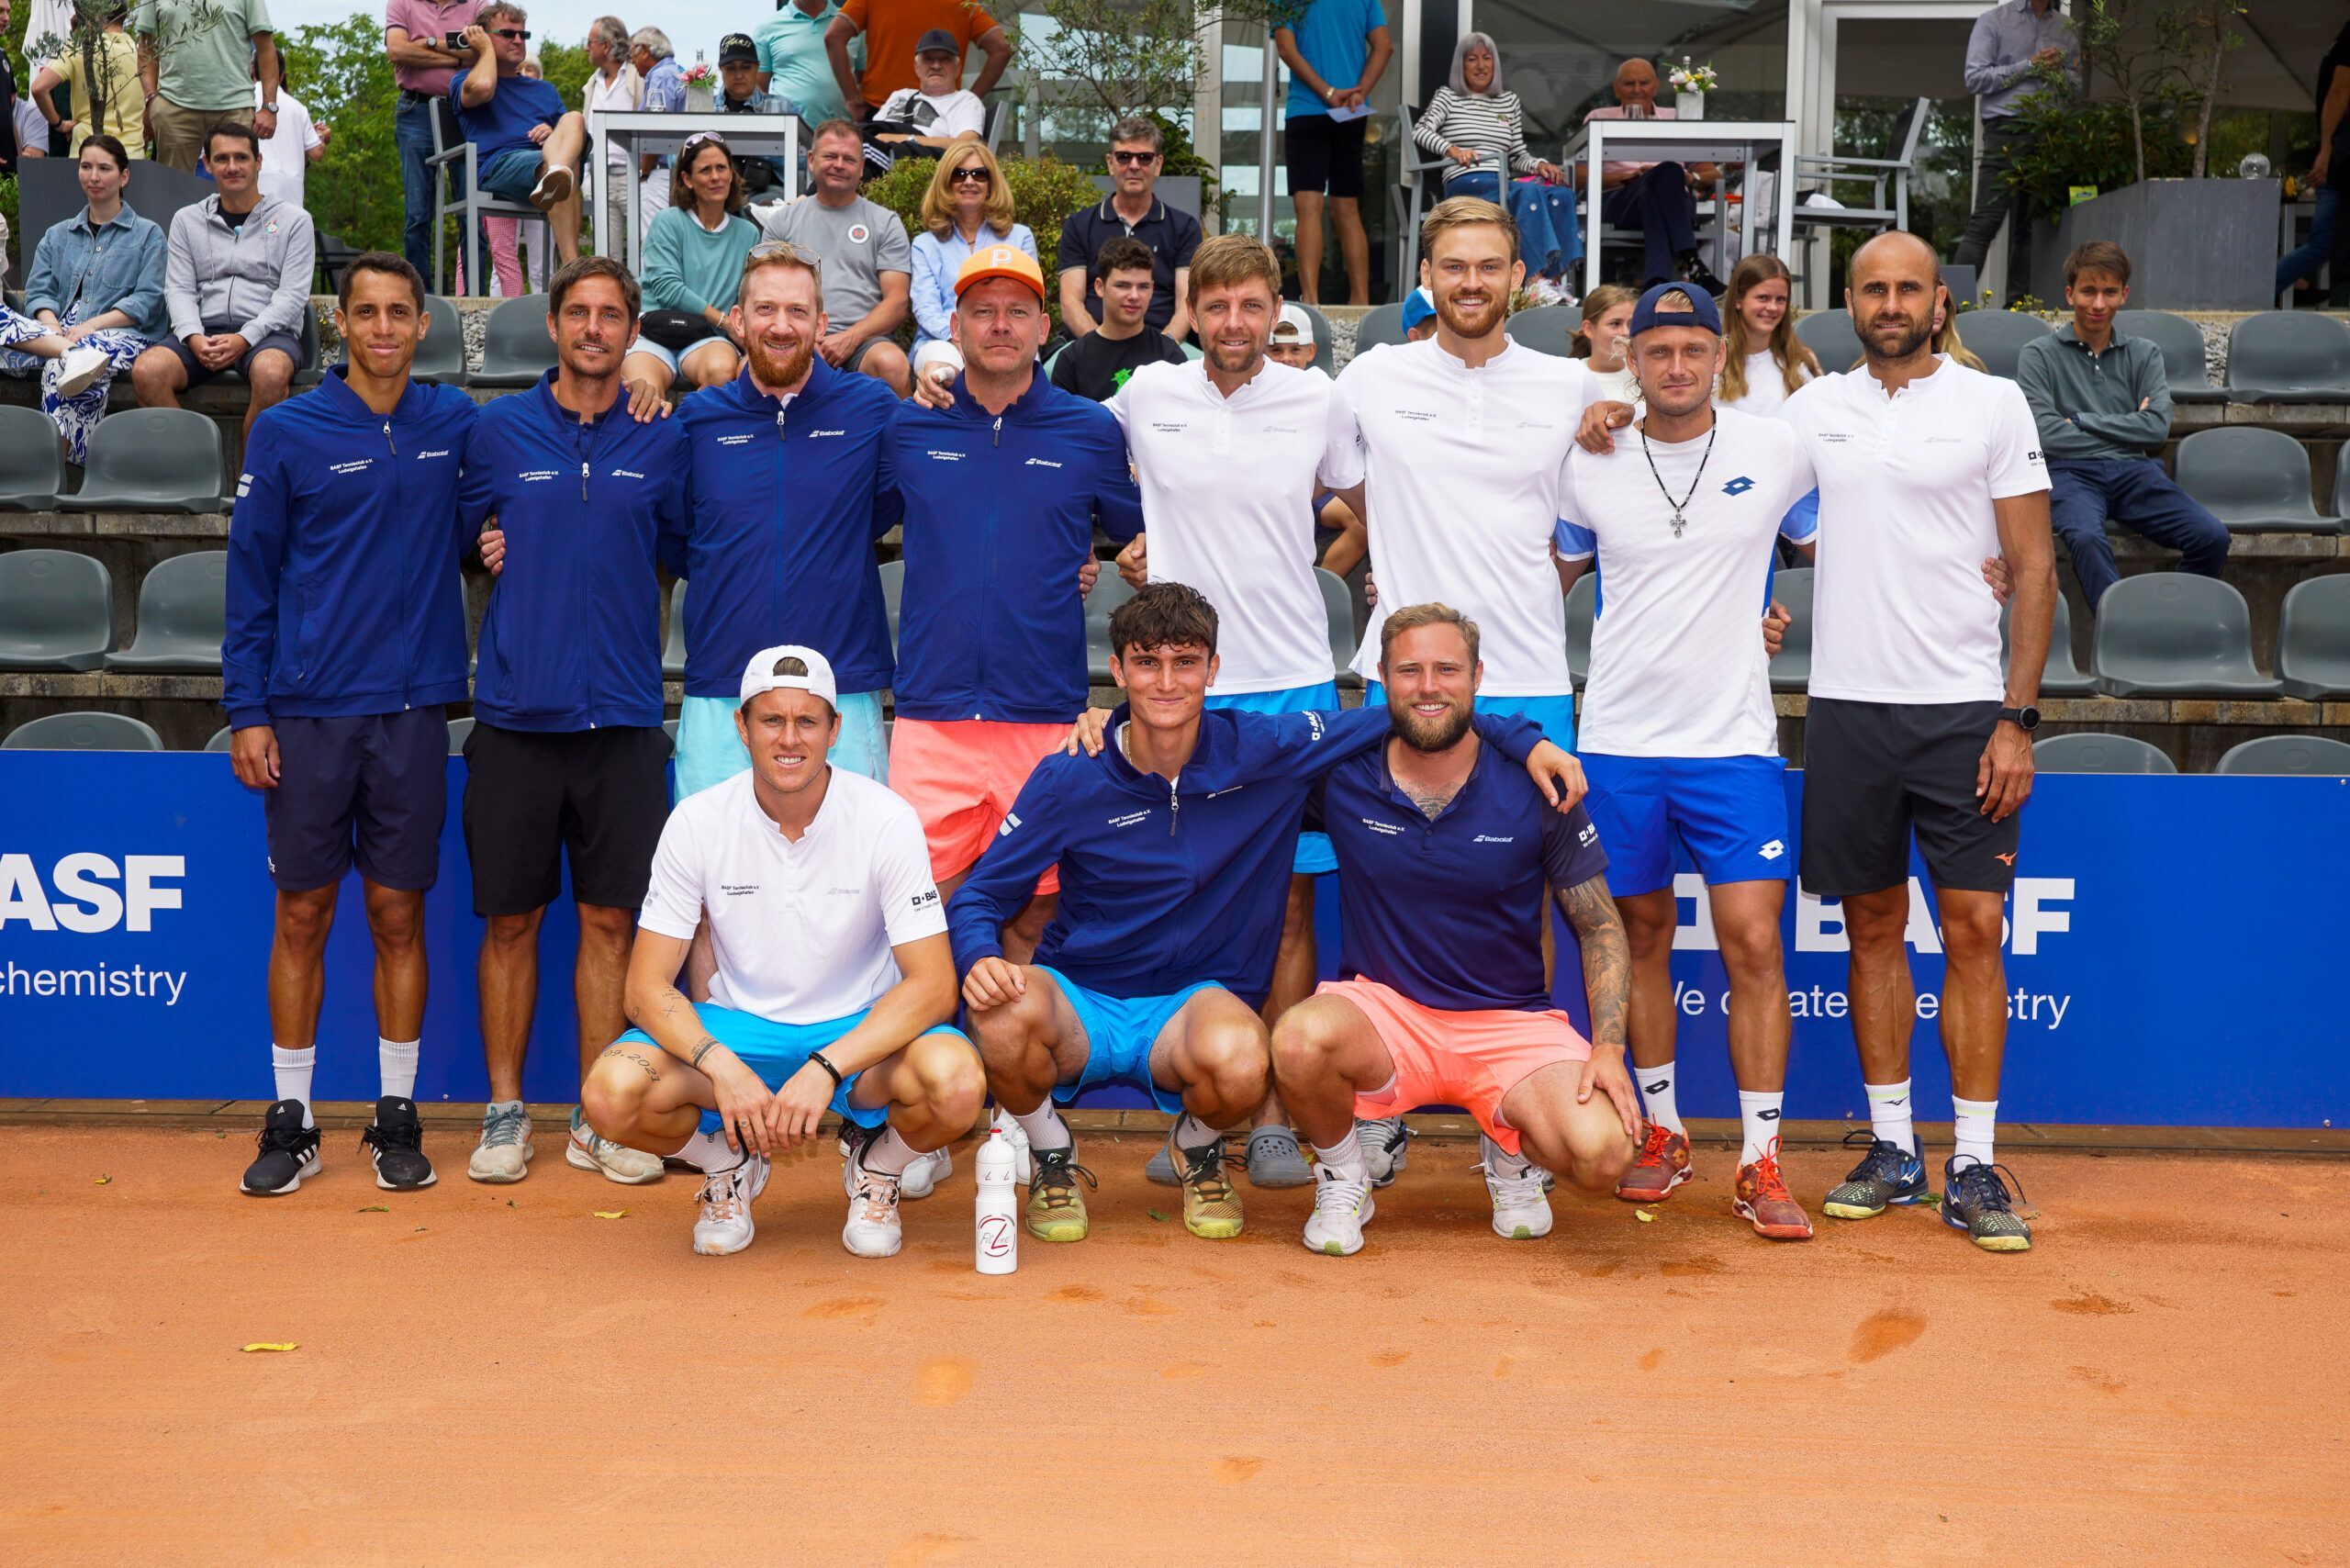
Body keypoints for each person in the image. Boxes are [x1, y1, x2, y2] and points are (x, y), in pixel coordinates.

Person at [949, 583, 1583, 1243]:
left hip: (1196, 1007)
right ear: (1117, 671)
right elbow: (982, 894)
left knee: (1249, 1060)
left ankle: (1195, 1150)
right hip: (1083, 996)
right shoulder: (1071, 773)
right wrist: (979, 956)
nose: (1166, 683)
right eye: (1146, 663)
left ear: (1213, 671)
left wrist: (1525, 740)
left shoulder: (1266, 749)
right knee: (1000, 1011)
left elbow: (1418, 708)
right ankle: (1052, 1153)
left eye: (1186, 663)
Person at [1786, 230, 2056, 1252]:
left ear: (1938, 302)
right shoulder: (1812, 411)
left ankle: (1975, 1161)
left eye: (1907, 288)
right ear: (1849, 302)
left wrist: (2015, 718)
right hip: (1848, 708)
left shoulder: (1991, 405)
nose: (1890, 302)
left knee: (1977, 931)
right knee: (1869, 930)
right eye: (1872, 288)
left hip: (1962, 711)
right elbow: (1720, 483)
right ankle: (1894, 1147)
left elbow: (2031, 567)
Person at [1326, 196, 1603, 1181]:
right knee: (1376, 881)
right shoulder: (1369, 377)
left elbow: (1612, 506)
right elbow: (1328, 487)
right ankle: (1380, 1097)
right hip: (1401, 686)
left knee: (1525, 905)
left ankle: (1508, 1126)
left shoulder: (1574, 385)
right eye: (1453, 267)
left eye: (1489, 266)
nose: (1472, 284)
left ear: (1520, 277)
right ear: (1426, 275)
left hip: (1529, 681)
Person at [1552, 284, 1824, 1241]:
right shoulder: (1588, 459)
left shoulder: (1775, 447)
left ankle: (1759, 1159)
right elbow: (1545, 575)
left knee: (1754, 941)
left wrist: (1978, 566)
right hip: (1619, 741)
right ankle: (1664, 1133)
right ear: (1632, 357)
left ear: (1719, 356)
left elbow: (1843, 540)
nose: (1673, 365)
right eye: (1655, 349)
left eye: (1691, 350)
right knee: (1639, 939)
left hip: (1732, 743)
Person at [579, 645, 985, 1260]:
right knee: (609, 1094)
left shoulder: (886, 818)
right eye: (771, 720)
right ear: (741, 727)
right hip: (740, 1032)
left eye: (807, 721)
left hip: (861, 1039)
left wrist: (826, 1067)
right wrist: (721, 1064)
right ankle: (726, 1164)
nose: (788, 738)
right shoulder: (696, 821)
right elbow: (644, 989)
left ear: (835, 730)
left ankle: (880, 1168)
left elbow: (932, 986)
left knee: (957, 1084)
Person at [221, 252, 480, 1199]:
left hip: (411, 714)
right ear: (341, 324)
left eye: (397, 313)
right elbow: (249, 581)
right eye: (364, 312)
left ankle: (395, 1111)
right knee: (302, 913)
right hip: (306, 714)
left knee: (396, 913)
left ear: (421, 325)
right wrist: (249, 708)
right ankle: (290, 1119)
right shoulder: (286, 431)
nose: (381, 328)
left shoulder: (454, 421)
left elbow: (482, 519)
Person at [1104, 233, 1361, 1188]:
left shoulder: (1318, 400)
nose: (1234, 324)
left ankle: (1268, 1121)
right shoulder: (1144, 394)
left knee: (1290, 907)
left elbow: (1378, 503)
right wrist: (1127, 546)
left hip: (1292, 685)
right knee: (1197, 904)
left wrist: (1325, 576)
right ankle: (1204, 1116)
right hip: (1181, 688)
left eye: (1252, 307)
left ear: (1275, 309)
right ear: (1191, 310)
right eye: (1215, 308)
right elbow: (1070, 452)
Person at [1272, 604, 1638, 1253]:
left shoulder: (1538, 783)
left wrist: (1608, 1047)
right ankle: (1342, 1173)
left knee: (1604, 1159)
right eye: (1409, 670)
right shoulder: (1342, 776)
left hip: (1510, 1024)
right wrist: (1117, 719)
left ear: (1476, 678)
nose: (1429, 685)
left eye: (1447, 669)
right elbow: (1218, 757)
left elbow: (1601, 927)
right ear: (1382, 679)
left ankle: (1509, 1151)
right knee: (1299, 1041)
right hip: (1386, 1016)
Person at [456, 256, 681, 1188]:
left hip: (624, 718)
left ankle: (599, 1117)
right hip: (514, 716)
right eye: (578, 313)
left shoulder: (662, 434)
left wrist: (662, 374)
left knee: (609, 923)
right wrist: (483, 546)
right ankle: (506, 1111)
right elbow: (462, 542)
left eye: (611, 315)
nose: (594, 328)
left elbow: (674, 547)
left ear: (631, 331)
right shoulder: (498, 430)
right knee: (510, 924)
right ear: (552, 325)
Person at [886, 243, 1136, 974]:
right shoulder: (909, 428)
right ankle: (946, 1082)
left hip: (1045, 716)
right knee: (930, 921)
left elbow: (1149, 534)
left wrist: (1112, 560)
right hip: (933, 716)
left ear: (1041, 328)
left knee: (1036, 911)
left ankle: (1017, 1090)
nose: (1001, 325)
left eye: (1018, 311)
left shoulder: (1089, 430)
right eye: (983, 311)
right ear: (955, 326)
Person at [669, 241, 907, 799]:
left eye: (798, 311)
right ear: (737, 320)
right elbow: (674, 536)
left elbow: (906, 503)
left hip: (841, 686)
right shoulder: (697, 420)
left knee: (851, 878)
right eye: (766, 309)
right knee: (712, 878)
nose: (781, 325)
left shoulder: (871, 409)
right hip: (724, 686)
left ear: (821, 322)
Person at [2018, 241, 2227, 613]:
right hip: (2069, 474)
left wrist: (2083, 419)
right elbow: (2047, 434)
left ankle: (2178, 621)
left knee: (2211, 536)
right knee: (2084, 536)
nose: (2099, 304)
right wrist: (2129, 422)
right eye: (2088, 291)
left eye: (2109, 292)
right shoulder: (2038, 354)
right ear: (2070, 294)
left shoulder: (2144, 354)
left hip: (2135, 472)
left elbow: (2155, 432)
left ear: (2124, 295)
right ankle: (2125, 632)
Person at [129, 121, 312, 441]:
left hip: (269, 333)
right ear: (207, 164)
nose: (232, 167)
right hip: (204, 332)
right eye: (222, 158)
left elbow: (293, 297)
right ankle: (199, 467)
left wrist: (246, 337)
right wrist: (193, 336)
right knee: (148, 371)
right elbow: (179, 289)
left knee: (271, 375)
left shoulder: (294, 221)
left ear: (258, 162)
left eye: (241, 158)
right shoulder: (187, 219)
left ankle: (249, 482)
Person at [0, 135, 162, 465]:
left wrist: (90, 326)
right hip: (56, 335)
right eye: (86, 166)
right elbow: (40, 293)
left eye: (104, 168)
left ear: (124, 176)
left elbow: (147, 301)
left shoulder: (148, 234)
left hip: (123, 334)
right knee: (64, 358)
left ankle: (53, 474)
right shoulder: (57, 234)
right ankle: (71, 355)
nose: (94, 176)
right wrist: (53, 328)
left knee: (60, 369)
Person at [757, 118, 913, 394]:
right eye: (830, 156)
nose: (839, 165)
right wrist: (802, 337)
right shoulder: (783, 223)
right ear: (811, 159)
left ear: (862, 167)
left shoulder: (884, 222)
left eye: (849, 159)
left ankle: (903, 437)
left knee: (892, 364)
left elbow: (898, 301)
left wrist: (851, 338)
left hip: (866, 342)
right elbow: (763, 294)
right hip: (792, 337)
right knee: (748, 368)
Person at [1412, 31, 1575, 282]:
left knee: (1561, 196)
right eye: (1472, 59)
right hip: (1467, 180)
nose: (1480, 66)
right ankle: (1534, 280)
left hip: (1502, 182)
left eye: (1486, 58)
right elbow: (1420, 130)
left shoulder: (1508, 101)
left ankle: (1552, 281)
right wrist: (1453, 150)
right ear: (1461, 66)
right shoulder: (1448, 96)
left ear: (1495, 63)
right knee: (1527, 193)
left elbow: (1517, 155)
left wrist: (1540, 164)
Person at [1956, 0, 2076, 305]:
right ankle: (1949, 310)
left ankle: (2017, 310)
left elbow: (2075, 86)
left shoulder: (2066, 28)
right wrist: (2030, 65)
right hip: (2006, 130)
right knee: (1985, 222)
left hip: (2050, 132)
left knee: (2031, 227)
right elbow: (1975, 78)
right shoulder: (1994, 21)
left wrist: (2059, 73)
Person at [1272, 0, 1389, 307]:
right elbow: (1383, 47)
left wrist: (1327, 92)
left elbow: (1286, 49)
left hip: (1307, 109)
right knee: (1347, 208)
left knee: (1308, 208)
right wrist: (1359, 91)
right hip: (1351, 110)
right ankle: (1360, 302)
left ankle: (1310, 301)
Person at [625, 131, 759, 396]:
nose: (715, 177)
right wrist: (724, 321)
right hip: (653, 329)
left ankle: (687, 426)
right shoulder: (668, 221)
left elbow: (749, 294)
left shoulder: (748, 233)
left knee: (722, 373)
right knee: (645, 389)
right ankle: (663, 432)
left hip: (707, 337)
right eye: (705, 170)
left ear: (731, 174)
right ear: (687, 179)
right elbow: (667, 288)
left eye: (722, 168)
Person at [451, 7, 586, 264]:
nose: (518, 40)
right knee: (564, 169)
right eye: (507, 34)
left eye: (523, 34)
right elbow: (483, 88)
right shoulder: (463, 80)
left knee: (574, 119)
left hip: (544, 161)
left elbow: (573, 134)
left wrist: (553, 132)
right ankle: (572, 267)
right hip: (499, 166)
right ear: (482, 36)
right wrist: (486, 51)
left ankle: (553, 175)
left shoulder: (544, 90)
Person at [1583, 58, 1723, 293]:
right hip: (1622, 201)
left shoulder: (1677, 117)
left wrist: (1691, 178)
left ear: (1656, 86)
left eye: (1644, 83)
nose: (1637, 89)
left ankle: (1656, 281)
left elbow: (1712, 175)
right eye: (1629, 83)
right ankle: (1691, 260)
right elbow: (1578, 177)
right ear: (1616, 89)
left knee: (1663, 178)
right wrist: (1628, 178)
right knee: (1664, 174)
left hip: (1669, 200)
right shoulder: (1599, 117)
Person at [1055, 116, 1200, 342]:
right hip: (1090, 344)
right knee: (1049, 372)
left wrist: (1162, 351)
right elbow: (1070, 302)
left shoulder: (1184, 227)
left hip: (1164, 346)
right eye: (1124, 157)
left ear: (1158, 164)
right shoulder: (1079, 225)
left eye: (1144, 158)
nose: (1134, 165)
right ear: (1110, 163)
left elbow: (1186, 302)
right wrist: (1100, 347)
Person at [909, 140, 1035, 375]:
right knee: (944, 372)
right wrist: (957, 337)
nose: (969, 181)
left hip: (1004, 332)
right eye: (959, 174)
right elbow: (926, 307)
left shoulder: (1020, 237)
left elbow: (1028, 301)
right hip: (942, 340)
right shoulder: (925, 244)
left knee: (1024, 364)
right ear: (946, 183)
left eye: (979, 174)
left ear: (991, 183)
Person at [384, 0, 480, 276]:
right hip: (416, 110)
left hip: (467, 111)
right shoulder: (402, 3)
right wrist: (457, 57)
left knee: (471, 208)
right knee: (417, 212)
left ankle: (474, 294)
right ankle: (418, 295)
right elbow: (397, 50)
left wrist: (425, 43)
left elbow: (485, 51)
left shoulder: (477, 5)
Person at [132, 0, 278, 172]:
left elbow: (266, 48)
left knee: (238, 189)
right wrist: (151, 100)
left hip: (234, 107)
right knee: (172, 191)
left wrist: (269, 107)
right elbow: (146, 47)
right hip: (174, 107)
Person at [1046, 234, 1181, 401]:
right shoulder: (1071, 360)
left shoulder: (1170, 356)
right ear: (1100, 287)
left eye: (1143, 287)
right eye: (1123, 285)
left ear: (1152, 289)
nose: (1134, 295)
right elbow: (1062, 425)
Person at [826, 0, 1007, 123]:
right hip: (940, 114)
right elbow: (1001, 48)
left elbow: (834, 36)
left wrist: (853, 99)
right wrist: (970, 100)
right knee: (936, 177)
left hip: (881, 110)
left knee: (875, 177)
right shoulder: (961, 3)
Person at [2280, 18, 2347, 307]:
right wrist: (2326, 149)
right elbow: (2338, 93)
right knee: (2326, 244)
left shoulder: (2335, 49)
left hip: (2338, 156)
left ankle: (2283, 284)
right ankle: (2264, 286)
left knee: (2324, 244)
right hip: (2340, 158)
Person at [30, 1, 142, 158]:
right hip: (131, 154)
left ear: (96, 13)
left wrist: (59, 124)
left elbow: (38, 88)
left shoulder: (82, 48)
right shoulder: (140, 54)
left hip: (87, 152)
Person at [1717, 254, 1818, 417]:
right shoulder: (1713, 361)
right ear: (1738, 300)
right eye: (1763, 298)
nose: (1772, 307)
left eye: (1780, 300)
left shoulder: (1800, 361)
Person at [867, 25, 983, 166]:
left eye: (945, 59)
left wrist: (907, 139)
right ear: (917, 67)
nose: (936, 66)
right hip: (873, 155)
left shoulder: (965, 101)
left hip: (913, 166)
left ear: (958, 68)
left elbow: (967, 145)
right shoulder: (900, 95)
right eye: (928, 59)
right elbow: (874, 132)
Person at [582, 17, 638, 257]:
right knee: (606, 255)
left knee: (644, 247)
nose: (586, 47)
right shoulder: (591, 83)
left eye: (590, 42)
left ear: (605, 45)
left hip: (633, 175)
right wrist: (585, 177)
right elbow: (588, 131)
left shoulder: (637, 76)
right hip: (598, 177)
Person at [756, 0, 853, 129]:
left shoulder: (850, 25)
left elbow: (864, 80)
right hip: (789, 136)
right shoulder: (767, 28)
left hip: (844, 135)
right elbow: (758, 91)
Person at [629, 27, 682, 237]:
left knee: (653, 238)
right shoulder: (677, 70)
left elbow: (656, 130)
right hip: (673, 171)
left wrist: (644, 171)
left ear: (644, 51)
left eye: (632, 52)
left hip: (660, 172)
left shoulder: (660, 75)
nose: (631, 60)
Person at [252, 61, 325, 209]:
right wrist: (321, 136)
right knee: (288, 231)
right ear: (282, 76)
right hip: (292, 189)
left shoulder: (246, 97)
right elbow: (317, 153)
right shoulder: (298, 108)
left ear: (252, 70)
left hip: (258, 181)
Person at [1570, 281, 1639, 405]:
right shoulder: (1572, 377)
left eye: (1631, 324)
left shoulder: (1642, 375)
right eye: (1615, 324)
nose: (1625, 332)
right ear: (1589, 329)